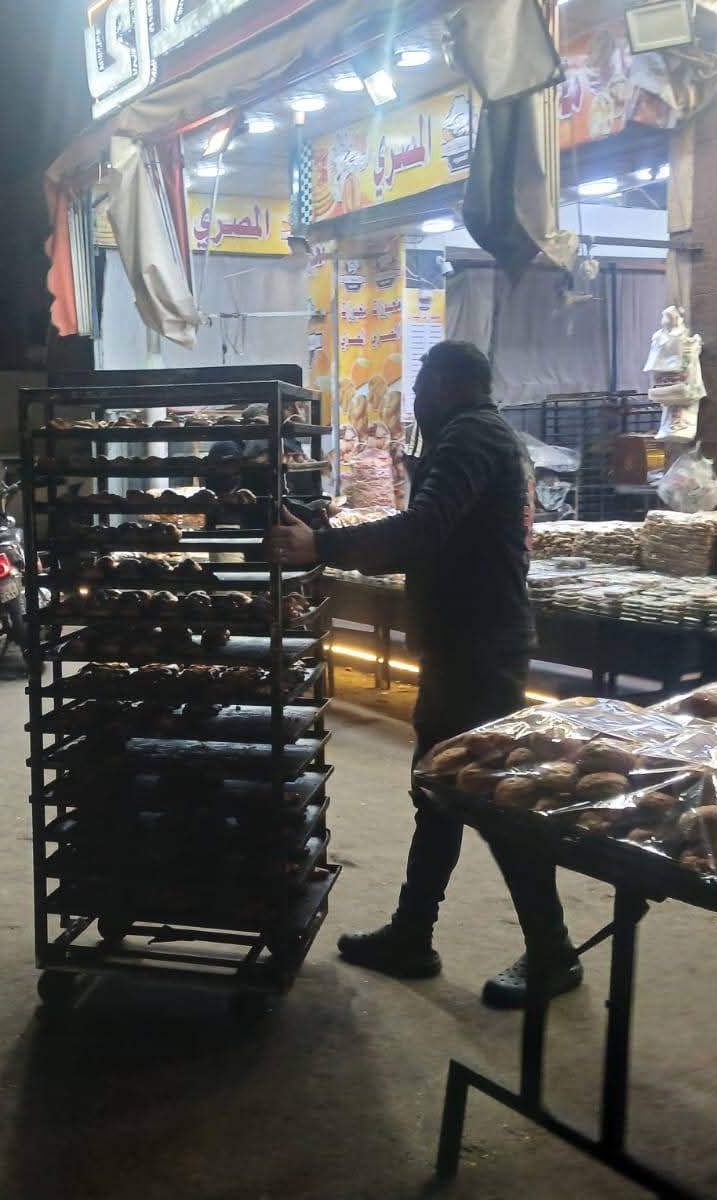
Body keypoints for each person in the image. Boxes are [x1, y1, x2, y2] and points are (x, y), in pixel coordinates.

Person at [267, 340, 582, 1009]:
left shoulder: (470, 436)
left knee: (492, 797)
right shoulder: (488, 436)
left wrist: (323, 545)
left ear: (442, 386)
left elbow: (425, 528)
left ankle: (552, 951)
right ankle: (413, 934)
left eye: (418, 388)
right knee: (437, 790)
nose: (413, 400)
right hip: (468, 644)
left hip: (478, 651)